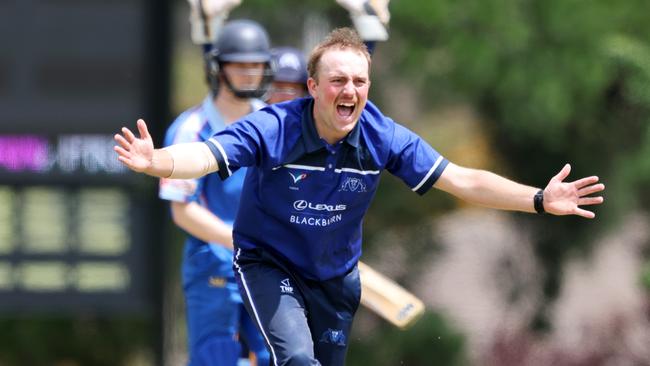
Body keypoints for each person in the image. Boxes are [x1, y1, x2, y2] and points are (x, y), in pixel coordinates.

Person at [115, 28, 605, 366]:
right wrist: (154, 160)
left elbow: (463, 181)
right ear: (312, 87)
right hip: (269, 264)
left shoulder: (382, 136)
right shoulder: (275, 126)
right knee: (297, 359)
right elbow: (204, 156)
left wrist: (540, 199)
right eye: (337, 81)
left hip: (335, 275)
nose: (349, 90)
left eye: (359, 81)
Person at [158, 18, 272, 366]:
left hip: (268, 268)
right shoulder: (190, 129)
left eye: (257, 64)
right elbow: (182, 210)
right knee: (216, 359)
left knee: (280, 357)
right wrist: (240, 241)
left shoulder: (274, 122)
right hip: (214, 267)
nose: (250, 73)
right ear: (218, 69)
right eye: (240, 65)